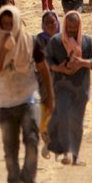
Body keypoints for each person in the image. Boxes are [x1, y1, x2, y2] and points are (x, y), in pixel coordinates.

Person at [0, 6, 54, 183]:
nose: (8, 28)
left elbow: (43, 68)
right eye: (4, 24)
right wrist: (5, 50)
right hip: (6, 101)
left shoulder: (31, 41)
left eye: (11, 23)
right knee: (10, 148)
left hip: (29, 98)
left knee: (32, 142)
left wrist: (49, 96)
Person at [46, 11, 92, 166]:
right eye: (69, 27)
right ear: (64, 25)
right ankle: (65, 153)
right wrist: (59, 68)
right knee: (63, 117)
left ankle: (75, 155)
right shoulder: (56, 41)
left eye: (74, 28)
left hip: (80, 88)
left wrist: (82, 62)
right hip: (61, 86)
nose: (71, 30)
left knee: (77, 122)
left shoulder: (87, 42)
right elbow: (46, 59)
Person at [35, 11, 59, 158]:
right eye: (48, 23)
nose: (51, 25)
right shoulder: (38, 40)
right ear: (43, 25)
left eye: (53, 22)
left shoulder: (65, 38)